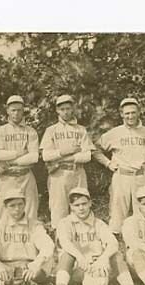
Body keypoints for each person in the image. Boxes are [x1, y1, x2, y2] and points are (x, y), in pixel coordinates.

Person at [93, 97, 145, 235]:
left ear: (139, 112)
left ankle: (141, 238)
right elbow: (95, 149)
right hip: (121, 176)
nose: (130, 116)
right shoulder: (115, 132)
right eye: (127, 113)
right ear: (121, 114)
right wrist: (108, 163)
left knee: (143, 210)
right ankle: (116, 239)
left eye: (133, 112)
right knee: (117, 211)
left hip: (141, 176)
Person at [54, 187, 140, 285]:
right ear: (71, 206)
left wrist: (103, 258)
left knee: (117, 256)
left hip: (98, 266)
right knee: (67, 255)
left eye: (84, 203)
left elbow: (113, 243)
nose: (81, 208)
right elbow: (65, 242)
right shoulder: (65, 223)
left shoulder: (98, 224)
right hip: (78, 267)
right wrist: (79, 257)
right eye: (77, 205)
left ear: (90, 203)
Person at [0, 189, 54, 285]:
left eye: (20, 204)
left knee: (48, 259)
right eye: (12, 205)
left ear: (25, 204)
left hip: (28, 268)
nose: (17, 209)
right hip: (5, 268)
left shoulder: (34, 225)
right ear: (5, 207)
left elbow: (48, 245)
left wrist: (35, 264)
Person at [40, 94, 95, 229]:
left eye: (68, 108)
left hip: (78, 172)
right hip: (59, 173)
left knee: (80, 207)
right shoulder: (51, 130)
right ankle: (60, 241)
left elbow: (87, 155)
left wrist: (68, 157)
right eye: (62, 109)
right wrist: (66, 151)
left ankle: (81, 241)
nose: (65, 112)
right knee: (59, 209)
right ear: (57, 111)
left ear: (73, 109)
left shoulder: (81, 130)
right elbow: (46, 156)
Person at [0, 95, 39, 221]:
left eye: (19, 110)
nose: (16, 113)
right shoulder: (0, 131)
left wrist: (8, 163)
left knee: (30, 214)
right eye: (13, 110)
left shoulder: (30, 131)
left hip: (25, 176)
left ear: (23, 111)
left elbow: (33, 157)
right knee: (4, 215)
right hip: (6, 178)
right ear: (7, 111)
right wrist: (19, 153)